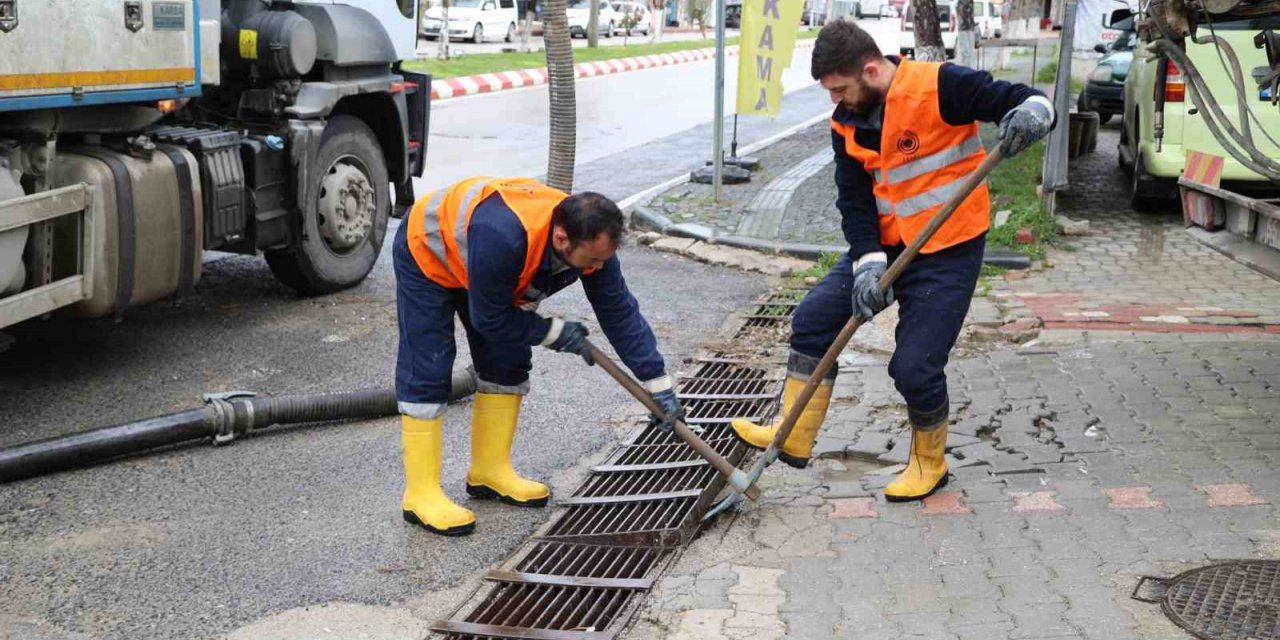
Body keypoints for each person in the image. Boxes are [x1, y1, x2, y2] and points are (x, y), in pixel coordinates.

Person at [731, 20, 1053, 502]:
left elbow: (1030, 98)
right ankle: (793, 433)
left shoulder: (940, 86)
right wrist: (867, 264)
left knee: (915, 365)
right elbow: (854, 200)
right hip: (888, 246)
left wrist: (1033, 114)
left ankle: (930, 462)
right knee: (815, 319)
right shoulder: (845, 120)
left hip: (948, 247)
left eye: (840, 88)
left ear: (870, 69)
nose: (835, 100)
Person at [394, 177, 684, 536]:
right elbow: (492, 318)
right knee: (430, 363)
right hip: (429, 253)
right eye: (591, 260)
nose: (597, 267)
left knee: (508, 360)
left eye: (602, 259)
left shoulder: (592, 244)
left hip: (486, 266)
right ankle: (420, 494)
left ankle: (489, 471)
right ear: (562, 239)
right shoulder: (505, 236)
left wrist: (659, 384)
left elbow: (619, 312)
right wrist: (554, 332)